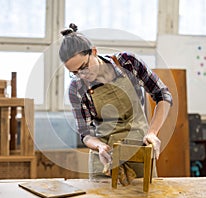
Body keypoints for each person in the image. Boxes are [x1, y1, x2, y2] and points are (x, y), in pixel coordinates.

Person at [59, 23, 172, 183]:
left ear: (94, 51)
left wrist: (152, 132)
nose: (82, 75)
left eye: (84, 67)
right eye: (74, 73)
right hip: (105, 156)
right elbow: (86, 134)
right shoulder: (76, 89)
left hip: (137, 149)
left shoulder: (128, 63)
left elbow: (162, 94)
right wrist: (99, 146)